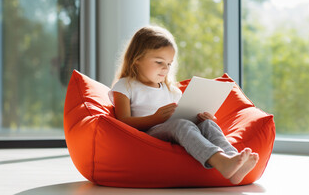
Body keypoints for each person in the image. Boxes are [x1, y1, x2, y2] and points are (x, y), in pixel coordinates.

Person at [109, 25, 258, 184]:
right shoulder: (126, 85)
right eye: (159, 62)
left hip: (175, 130)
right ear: (137, 59)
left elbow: (184, 119)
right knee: (179, 125)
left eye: (169, 63)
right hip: (148, 135)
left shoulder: (171, 90)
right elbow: (122, 122)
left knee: (207, 123)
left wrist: (199, 118)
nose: (165, 68)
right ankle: (220, 162)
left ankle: (232, 159)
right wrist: (155, 118)